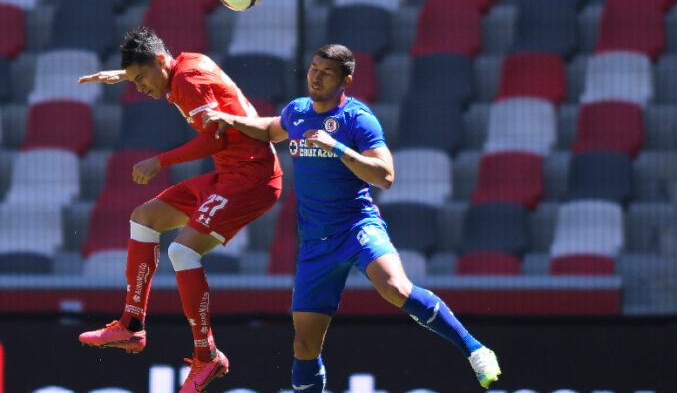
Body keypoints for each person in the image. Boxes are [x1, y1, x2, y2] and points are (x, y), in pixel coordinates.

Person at [202, 44, 501, 391]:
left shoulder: (357, 119)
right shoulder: (297, 112)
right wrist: (232, 120)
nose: (316, 76)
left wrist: (338, 148)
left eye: (326, 72)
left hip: (357, 227)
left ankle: (475, 350)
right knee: (304, 346)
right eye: (314, 68)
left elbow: (385, 176)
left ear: (347, 80)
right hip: (316, 242)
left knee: (394, 288)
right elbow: (271, 129)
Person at [77, 26, 283, 393]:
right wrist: (123, 73)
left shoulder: (187, 80)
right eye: (134, 80)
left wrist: (161, 160)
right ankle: (132, 325)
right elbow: (162, 73)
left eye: (140, 78)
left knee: (182, 250)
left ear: (159, 62)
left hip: (252, 178)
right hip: (228, 173)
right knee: (144, 218)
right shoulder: (182, 66)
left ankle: (207, 356)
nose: (140, 88)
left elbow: (214, 137)